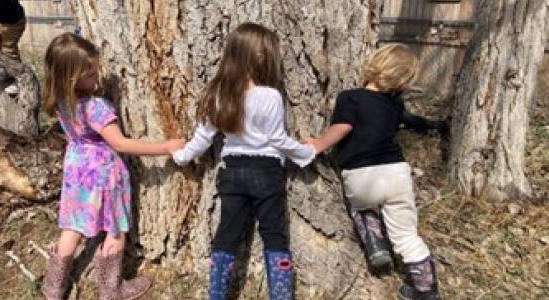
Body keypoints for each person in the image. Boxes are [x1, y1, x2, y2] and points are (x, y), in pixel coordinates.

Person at [172, 22, 316, 300]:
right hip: (267, 172)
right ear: (261, 57)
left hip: (233, 171)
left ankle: (217, 294)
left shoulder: (219, 93)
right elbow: (277, 140)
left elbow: (202, 139)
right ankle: (282, 296)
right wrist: (306, 153)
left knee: (227, 232)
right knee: (275, 234)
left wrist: (181, 156)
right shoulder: (270, 96)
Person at [40, 33, 185, 300]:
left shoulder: (61, 102)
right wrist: (165, 147)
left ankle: (53, 286)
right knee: (115, 227)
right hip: (104, 172)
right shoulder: (96, 108)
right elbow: (121, 143)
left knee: (72, 226)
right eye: (91, 74)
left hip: (76, 170)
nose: (97, 78)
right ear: (72, 78)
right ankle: (112, 289)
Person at [305, 44, 446, 300]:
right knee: (406, 235)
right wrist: (435, 126)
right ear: (403, 81)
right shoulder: (394, 105)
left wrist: (318, 145)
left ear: (375, 64)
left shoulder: (350, 97)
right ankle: (426, 288)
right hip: (396, 173)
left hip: (361, 176)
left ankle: (375, 244)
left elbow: (343, 127)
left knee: (361, 208)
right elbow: (411, 120)